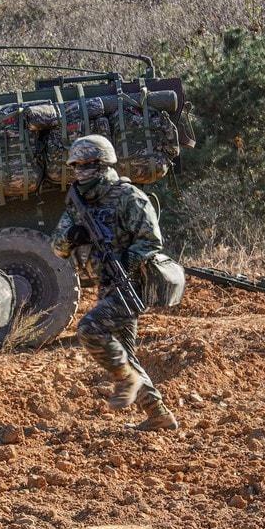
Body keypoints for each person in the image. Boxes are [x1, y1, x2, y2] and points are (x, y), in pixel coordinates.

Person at [51, 135, 177, 431]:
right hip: (106, 286)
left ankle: (129, 381)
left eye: (89, 164)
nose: (82, 171)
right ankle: (158, 414)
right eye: (77, 165)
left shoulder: (128, 196)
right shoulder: (78, 202)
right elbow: (57, 247)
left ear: (103, 164)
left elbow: (151, 242)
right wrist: (72, 237)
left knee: (89, 329)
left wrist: (124, 262)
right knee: (125, 353)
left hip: (130, 283)